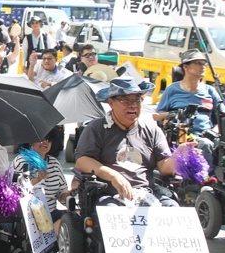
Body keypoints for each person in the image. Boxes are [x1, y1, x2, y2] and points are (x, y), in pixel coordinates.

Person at [75, 77, 185, 207]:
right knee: (111, 211)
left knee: (173, 208)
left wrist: (180, 155)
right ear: (111, 102)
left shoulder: (152, 130)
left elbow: (164, 168)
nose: (133, 105)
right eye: (125, 100)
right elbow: (82, 161)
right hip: (109, 194)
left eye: (137, 100)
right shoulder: (96, 128)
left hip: (146, 193)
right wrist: (113, 176)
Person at [154, 49, 223, 171]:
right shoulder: (172, 90)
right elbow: (156, 116)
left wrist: (214, 131)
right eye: (198, 63)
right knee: (205, 144)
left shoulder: (210, 91)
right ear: (185, 67)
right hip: (183, 135)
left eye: (204, 63)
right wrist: (175, 114)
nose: (203, 67)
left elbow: (223, 118)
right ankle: (206, 178)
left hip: (208, 134)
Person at [12, 127, 72, 234]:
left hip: (51, 214)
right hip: (29, 216)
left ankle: (52, 236)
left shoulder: (54, 163)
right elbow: (15, 193)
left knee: (76, 218)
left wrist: (68, 195)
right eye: (40, 139)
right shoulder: (21, 161)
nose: (45, 142)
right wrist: (36, 180)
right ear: (30, 141)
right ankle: (51, 237)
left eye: (49, 139)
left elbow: (61, 193)